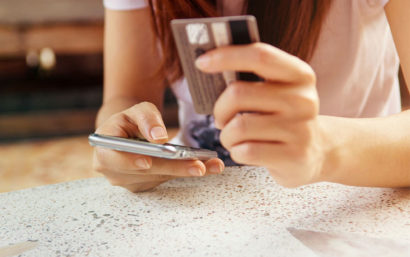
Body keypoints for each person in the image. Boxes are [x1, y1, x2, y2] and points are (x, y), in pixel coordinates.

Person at [94, 0, 410, 192]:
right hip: (200, 198)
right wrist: (123, 144)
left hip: (345, 207)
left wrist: (324, 148)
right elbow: (126, 96)